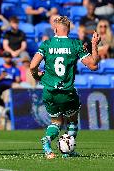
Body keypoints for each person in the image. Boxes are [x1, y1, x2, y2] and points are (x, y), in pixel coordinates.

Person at [30, 16, 100, 159]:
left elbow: (32, 66)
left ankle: (47, 141)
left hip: (49, 91)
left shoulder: (46, 44)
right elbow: (93, 65)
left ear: (55, 29)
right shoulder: (75, 45)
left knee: (56, 122)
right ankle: (69, 151)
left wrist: (37, 76)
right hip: (66, 92)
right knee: (72, 120)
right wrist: (94, 44)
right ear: (68, 29)